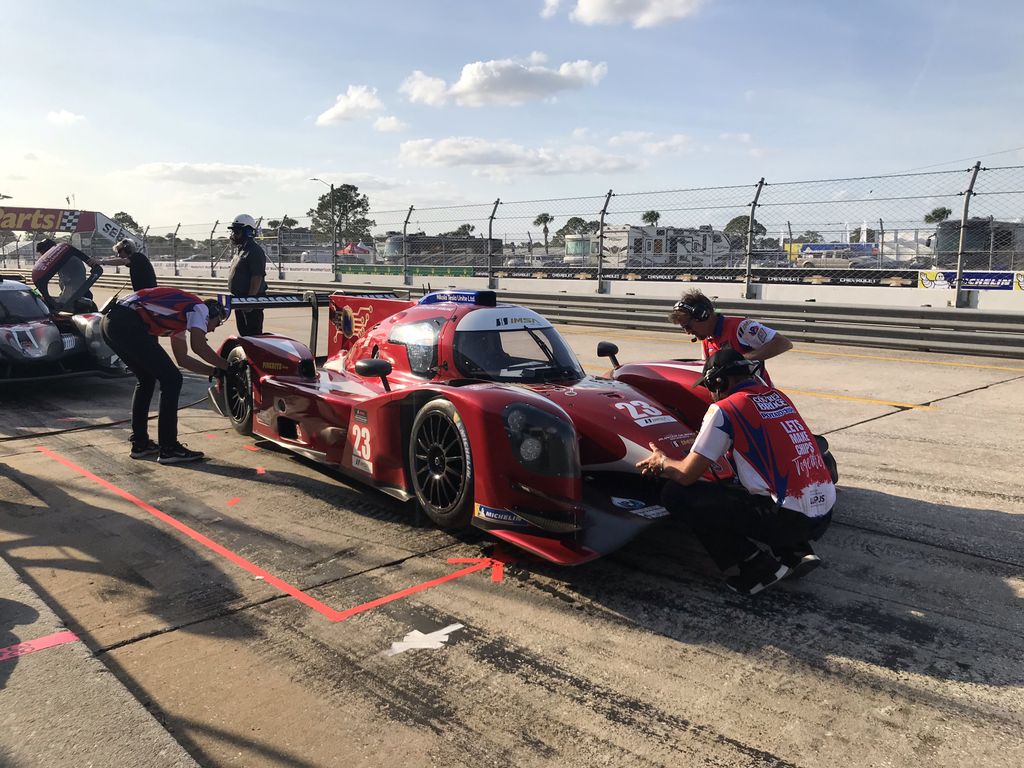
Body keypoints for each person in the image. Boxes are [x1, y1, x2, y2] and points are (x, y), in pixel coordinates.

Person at [636, 348, 835, 596]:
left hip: (786, 520)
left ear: (720, 381)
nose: (709, 394)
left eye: (709, 386)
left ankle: (755, 566)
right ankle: (795, 552)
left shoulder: (724, 409)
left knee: (677, 493)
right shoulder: (778, 396)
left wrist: (662, 462)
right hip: (823, 513)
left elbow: (687, 474)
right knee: (753, 481)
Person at [100, 287, 231, 464]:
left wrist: (215, 372)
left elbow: (183, 360)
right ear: (213, 314)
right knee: (172, 380)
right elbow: (199, 346)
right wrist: (228, 367)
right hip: (126, 322)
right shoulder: (200, 308)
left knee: (147, 379)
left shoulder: (181, 318)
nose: (214, 330)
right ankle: (169, 448)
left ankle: (140, 443)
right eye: (217, 323)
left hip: (111, 323)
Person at [669, 289, 792, 386]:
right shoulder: (707, 339)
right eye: (683, 328)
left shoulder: (741, 327)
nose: (687, 332)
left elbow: (783, 343)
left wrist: (739, 360)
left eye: (688, 326)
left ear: (703, 315)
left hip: (758, 394)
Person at [227, 213, 267, 335]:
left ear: (248, 232)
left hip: (250, 303)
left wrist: (250, 301)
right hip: (240, 302)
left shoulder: (254, 251)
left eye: (237, 231)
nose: (233, 235)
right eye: (233, 231)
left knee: (253, 336)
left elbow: (257, 276)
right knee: (244, 335)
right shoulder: (241, 250)